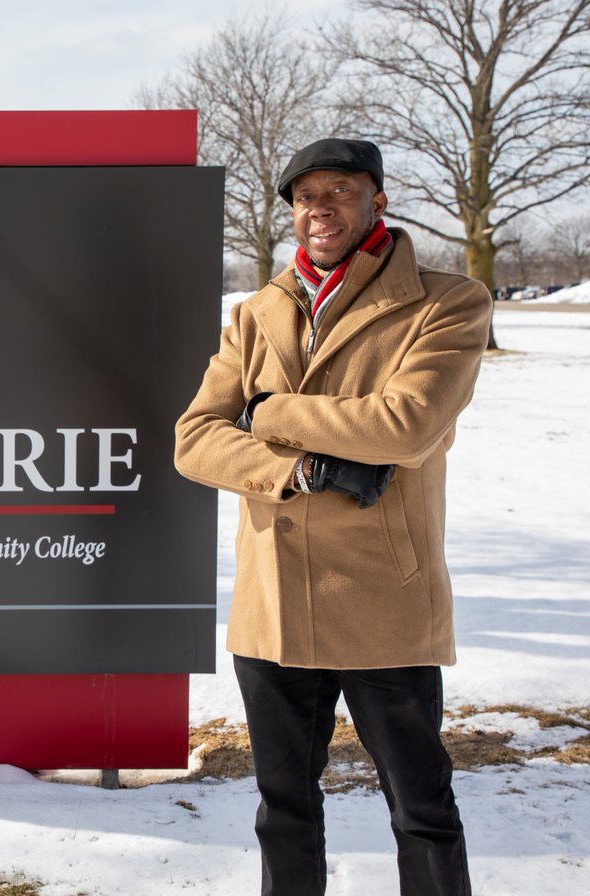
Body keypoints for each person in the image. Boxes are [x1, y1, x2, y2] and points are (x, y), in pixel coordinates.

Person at [174, 138, 492, 896]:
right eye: (306, 195)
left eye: (341, 190)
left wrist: (270, 411)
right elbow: (194, 439)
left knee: (421, 807)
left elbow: (408, 424)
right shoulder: (256, 312)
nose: (321, 206)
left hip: (383, 597)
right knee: (283, 808)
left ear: (377, 200)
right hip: (273, 605)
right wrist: (297, 467)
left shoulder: (446, 300)